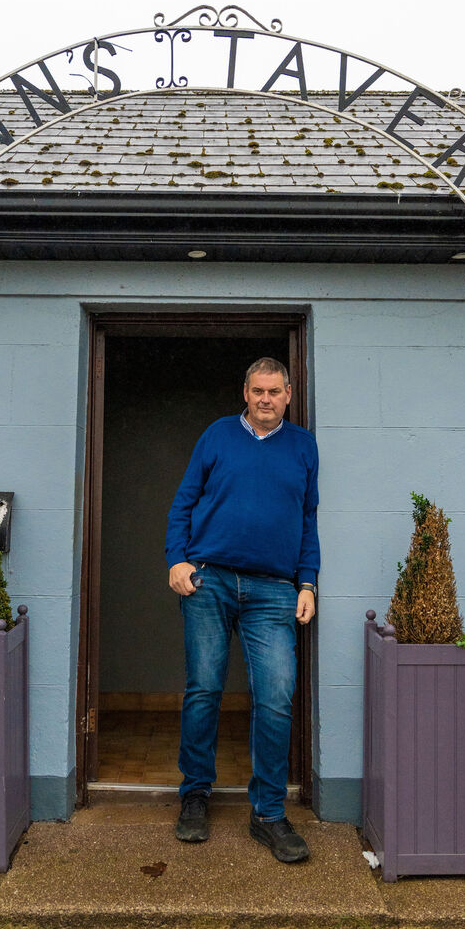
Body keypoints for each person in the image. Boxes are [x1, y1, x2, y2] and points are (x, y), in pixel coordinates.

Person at [165, 357, 319, 863]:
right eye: (257, 391)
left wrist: (308, 581)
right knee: (204, 688)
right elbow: (183, 502)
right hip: (209, 581)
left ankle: (269, 814)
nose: (265, 399)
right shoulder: (216, 435)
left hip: (276, 590)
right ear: (245, 393)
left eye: (274, 391)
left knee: (276, 695)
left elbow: (308, 517)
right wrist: (177, 559)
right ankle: (195, 796)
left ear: (289, 394)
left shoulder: (302, 446)